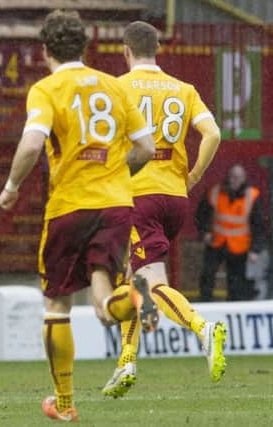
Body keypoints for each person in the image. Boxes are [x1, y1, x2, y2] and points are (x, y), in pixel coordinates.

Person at [0, 10, 156, 422]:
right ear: (85, 48)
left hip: (70, 207)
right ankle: (135, 297)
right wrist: (116, 173)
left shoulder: (47, 89)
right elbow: (146, 148)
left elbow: (32, 145)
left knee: (56, 304)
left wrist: (11, 187)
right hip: (117, 204)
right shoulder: (113, 87)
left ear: (45, 49)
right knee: (104, 305)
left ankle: (65, 405)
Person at [101, 21, 227, 399]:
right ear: (158, 50)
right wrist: (193, 176)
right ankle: (126, 363)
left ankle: (203, 328)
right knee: (132, 279)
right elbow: (214, 134)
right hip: (175, 197)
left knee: (152, 285)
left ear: (125, 50)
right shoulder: (182, 89)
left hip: (139, 196)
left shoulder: (118, 88)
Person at [196, 163, 266, 301]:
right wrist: (204, 233)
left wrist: (255, 250)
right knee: (207, 275)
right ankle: (204, 303)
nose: (234, 180)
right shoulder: (215, 192)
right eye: (232, 177)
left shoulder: (252, 196)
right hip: (216, 242)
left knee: (235, 281)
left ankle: (232, 306)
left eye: (238, 177)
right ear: (227, 177)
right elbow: (201, 215)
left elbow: (259, 225)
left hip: (239, 246)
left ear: (244, 179)